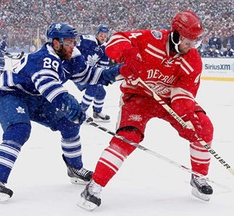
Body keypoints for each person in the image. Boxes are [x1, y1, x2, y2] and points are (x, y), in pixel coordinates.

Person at [77, 10, 214, 211]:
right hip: (138, 97)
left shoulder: (192, 59)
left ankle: (199, 177)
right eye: (187, 41)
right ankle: (94, 186)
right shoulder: (151, 39)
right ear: (175, 34)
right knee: (128, 137)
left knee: (203, 128)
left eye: (195, 42)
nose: (191, 46)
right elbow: (117, 39)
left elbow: (185, 92)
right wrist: (129, 54)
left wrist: (185, 115)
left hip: (168, 100)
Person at [0, 22, 121, 202]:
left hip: (36, 96)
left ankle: (75, 168)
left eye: (74, 41)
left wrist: (117, 72)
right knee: (19, 129)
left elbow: (89, 75)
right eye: (69, 42)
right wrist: (68, 102)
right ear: (56, 43)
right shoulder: (43, 58)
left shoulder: (71, 56)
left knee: (70, 124)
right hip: (12, 94)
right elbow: (50, 87)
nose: (73, 46)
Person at [76, 24, 111, 122]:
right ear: (97, 34)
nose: (103, 37)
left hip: (89, 72)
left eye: (105, 35)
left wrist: (100, 77)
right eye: (101, 35)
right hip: (77, 71)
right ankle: (80, 112)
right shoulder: (88, 40)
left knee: (101, 91)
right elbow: (74, 44)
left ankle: (97, 112)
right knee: (93, 87)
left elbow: (102, 66)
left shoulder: (105, 48)